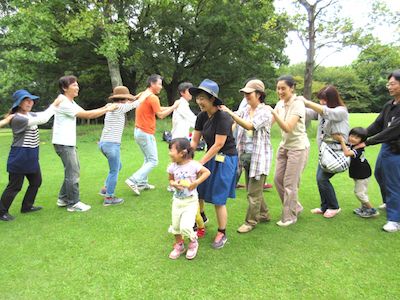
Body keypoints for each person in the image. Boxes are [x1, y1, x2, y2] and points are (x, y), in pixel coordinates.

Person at [53, 75, 118, 212]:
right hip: (64, 143)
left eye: (77, 84)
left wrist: (104, 107)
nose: (77, 87)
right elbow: (87, 115)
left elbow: (85, 111)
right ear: (65, 88)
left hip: (67, 142)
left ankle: (63, 198)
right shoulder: (64, 102)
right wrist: (107, 110)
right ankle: (73, 203)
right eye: (74, 85)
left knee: (72, 171)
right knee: (73, 173)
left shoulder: (70, 102)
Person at [190, 79, 238, 249]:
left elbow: (218, 144)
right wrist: (187, 159)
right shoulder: (201, 116)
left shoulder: (223, 117)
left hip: (226, 158)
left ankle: (222, 232)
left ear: (212, 99)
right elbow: (195, 141)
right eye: (198, 98)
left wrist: (199, 162)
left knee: (218, 197)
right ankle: (201, 218)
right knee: (198, 189)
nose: (199, 101)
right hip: (210, 156)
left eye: (203, 98)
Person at [220, 79, 273, 233]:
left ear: (259, 94)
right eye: (245, 93)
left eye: (249, 93)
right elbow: (233, 120)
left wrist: (229, 112)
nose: (246, 96)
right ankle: (264, 214)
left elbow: (250, 125)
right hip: (245, 155)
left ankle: (250, 222)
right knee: (253, 189)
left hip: (259, 157)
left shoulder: (265, 111)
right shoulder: (245, 110)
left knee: (252, 193)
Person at [0, 89, 61, 221]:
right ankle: (1, 212)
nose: (29, 102)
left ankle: (27, 206)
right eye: (26, 100)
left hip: (31, 155)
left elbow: (43, 115)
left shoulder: (30, 115)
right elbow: (44, 118)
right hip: (20, 155)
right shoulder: (17, 118)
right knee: (14, 186)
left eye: (31, 100)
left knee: (36, 181)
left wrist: (55, 106)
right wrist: (55, 103)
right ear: (19, 103)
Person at [358, 70, 400, 232]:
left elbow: (393, 130)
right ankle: (390, 202)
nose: (389, 87)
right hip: (386, 147)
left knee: (393, 182)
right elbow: (377, 125)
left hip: (397, 149)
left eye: (392, 84)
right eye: (388, 84)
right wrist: (359, 136)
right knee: (380, 174)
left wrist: (367, 142)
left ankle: (395, 220)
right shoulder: (389, 105)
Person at [125, 74, 180, 195]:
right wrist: (174, 107)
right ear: (152, 84)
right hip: (145, 132)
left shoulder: (144, 94)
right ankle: (133, 180)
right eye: (159, 84)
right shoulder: (153, 97)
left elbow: (157, 109)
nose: (161, 87)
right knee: (153, 161)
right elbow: (160, 115)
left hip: (138, 131)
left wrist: (172, 107)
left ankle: (142, 183)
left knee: (147, 158)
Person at [265, 75, 309, 227]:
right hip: (284, 146)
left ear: (292, 88)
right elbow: (268, 124)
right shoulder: (280, 104)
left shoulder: (298, 104)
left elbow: (288, 127)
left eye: (283, 88)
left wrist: (273, 113)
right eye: (278, 88)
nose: (280, 91)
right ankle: (295, 206)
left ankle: (289, 216)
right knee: (278, 180)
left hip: (298, 148)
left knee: (290, 184)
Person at [98, 86, 152, 206]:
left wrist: (138, 94)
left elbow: (132, 101)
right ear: (123, 99)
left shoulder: (111, 106)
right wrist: (147, 93)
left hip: (103, 144)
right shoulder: (120, 107)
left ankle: (105, 189)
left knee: (117, 166)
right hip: (112, 145)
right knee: (114, 171)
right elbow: (136, 103)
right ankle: (109, 198)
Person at [304, 85, 349, 218]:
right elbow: (310, 112)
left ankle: (334, 207)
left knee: (322, 179)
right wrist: (295, 104)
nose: (322, 103)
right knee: (320, 179)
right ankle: (324, 207)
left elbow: (327, 113)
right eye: (320, 100)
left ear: (332, 99)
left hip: (336, 151)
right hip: (325, 152)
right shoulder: (323, 110)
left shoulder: (341, 111)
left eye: (324, 100)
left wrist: (307, 102)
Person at [167, 138, 210, 260]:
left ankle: (193, 243)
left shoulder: (193, 165)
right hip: (177, 201)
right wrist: (174, 184)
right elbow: (170, 180)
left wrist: (195, 183)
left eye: (172, 150)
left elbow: (207, 172)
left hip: (190, 201)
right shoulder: (172, 167)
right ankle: (179, 246)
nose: (170, 153)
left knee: (185, 227)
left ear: (182, 153)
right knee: (176, 227)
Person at [333, 127, 379, 218]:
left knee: (359, 193)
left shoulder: (358, 149)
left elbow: (346, 153)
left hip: (363, 173)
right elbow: (346, 147)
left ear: (361, 140)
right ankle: (364, 208)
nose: (353, 139)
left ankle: (372, 210)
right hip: (359, 172)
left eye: (357, 138)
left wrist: (341, 141)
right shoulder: (353, 145)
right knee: (362, 192)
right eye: (352, 136)